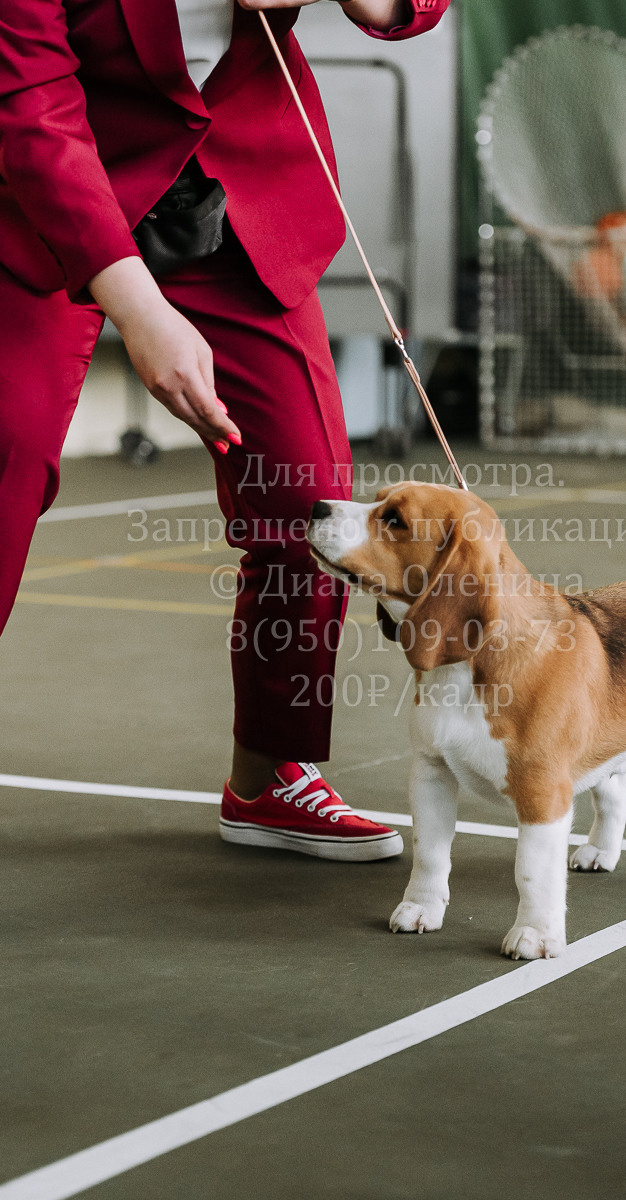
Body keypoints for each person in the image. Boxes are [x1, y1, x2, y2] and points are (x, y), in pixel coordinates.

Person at [0, 0, 450, 860]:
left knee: (312, 498)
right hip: (47, 198)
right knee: (8, 455)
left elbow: (413, 7)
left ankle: (268, 779)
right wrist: (138, 310)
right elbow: (31, 107)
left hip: (240, 194)